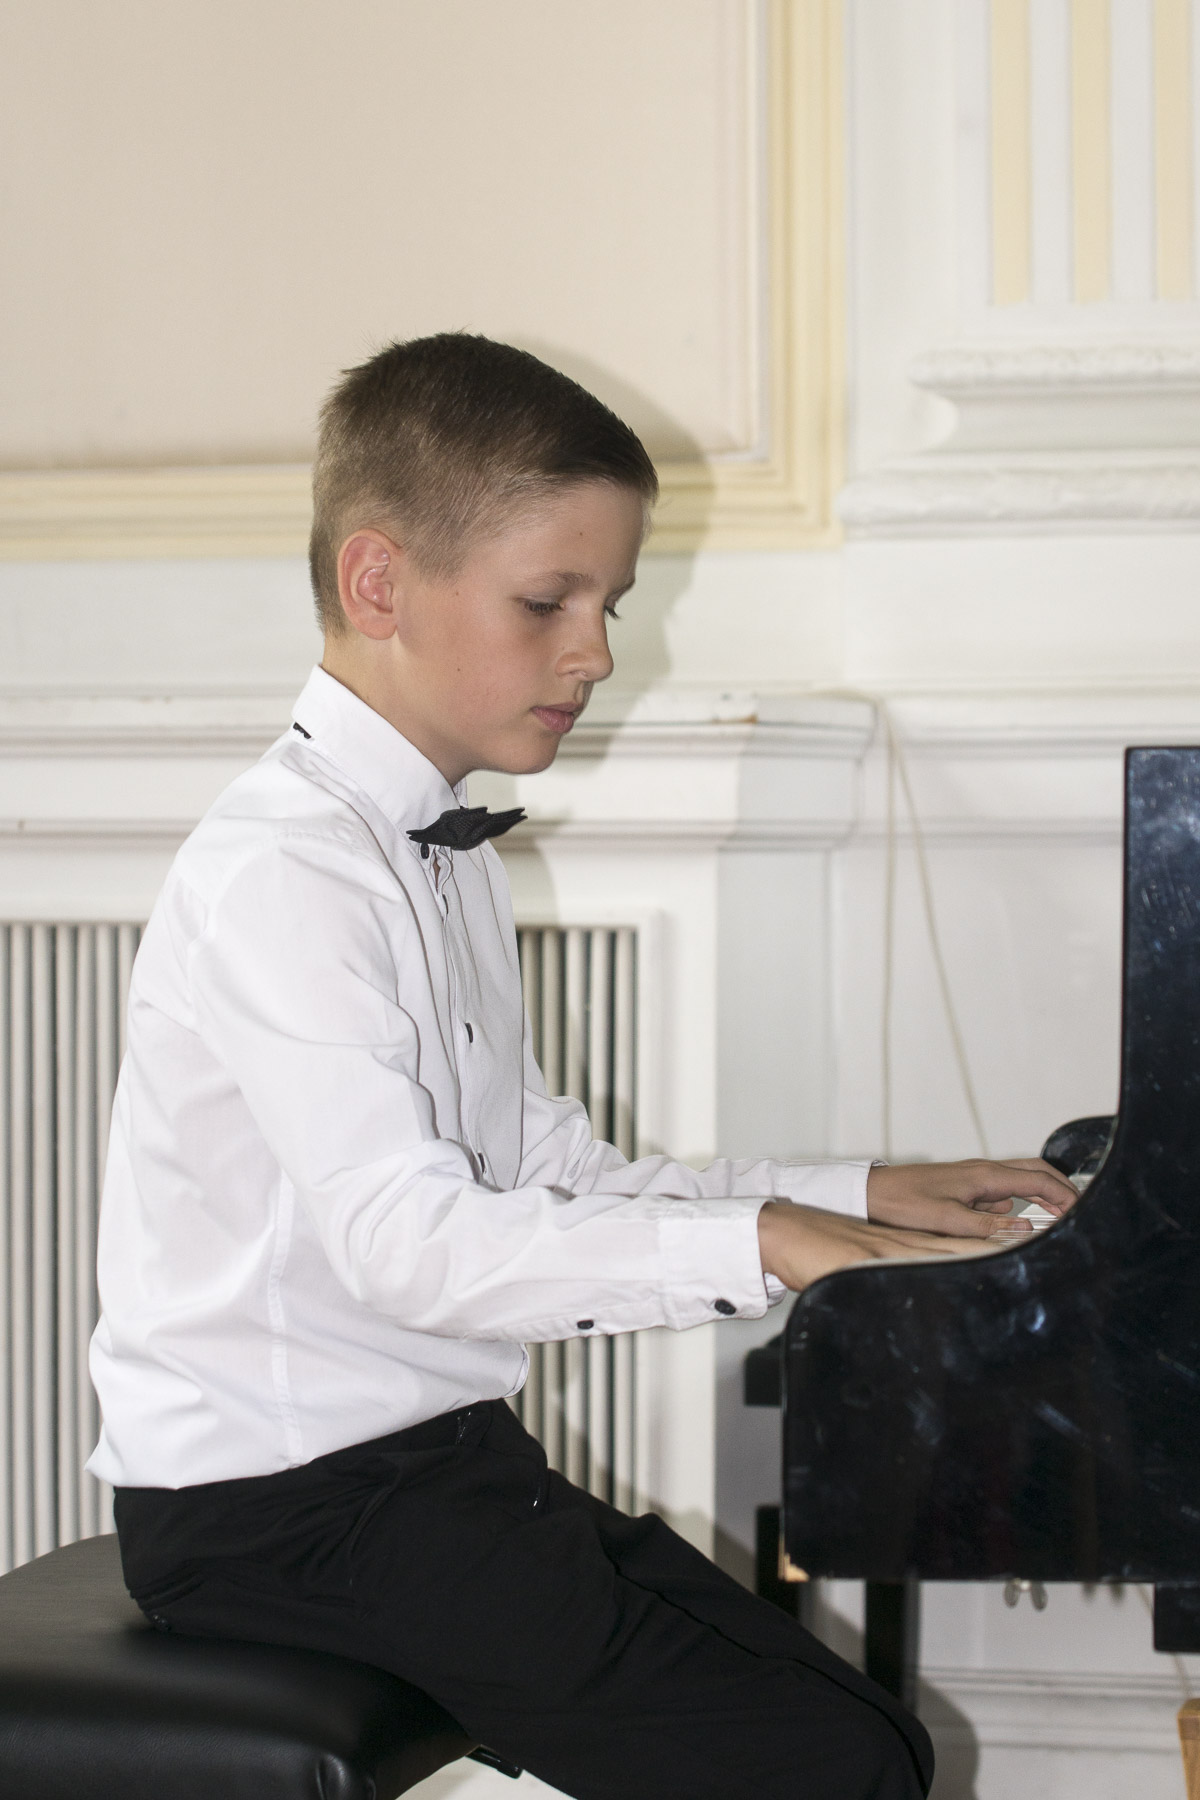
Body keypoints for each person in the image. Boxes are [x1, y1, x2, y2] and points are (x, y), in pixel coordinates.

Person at [90, 333, 1077, 1800]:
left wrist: (858, 1192)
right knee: (827, 1767)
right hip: (278, 1511)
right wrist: (770, 1242)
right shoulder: (281, 873)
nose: (599, 651)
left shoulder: (444, 857)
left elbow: (553, 1174)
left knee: (872, 1739)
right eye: (548, 601)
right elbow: (410, 1250)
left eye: (606, 605)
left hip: (432, 1465)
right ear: (379, 583)